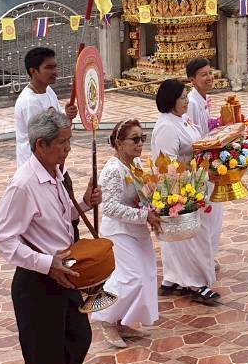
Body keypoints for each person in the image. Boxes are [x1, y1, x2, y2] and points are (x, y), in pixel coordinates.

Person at [0, 108, 102, 364]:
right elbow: (1, 238)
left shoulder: (54, 173)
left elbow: (62, 218)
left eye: (69, 141)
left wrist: (84, 204)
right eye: (62, 143)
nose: (68, 149)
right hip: (36, 282)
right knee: (44, 358)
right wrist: (44, 263)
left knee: (78, 338)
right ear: (41, 144)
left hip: (62, 274)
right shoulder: (24, 185)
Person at [90, 119, 160, 348]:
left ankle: (121, 321)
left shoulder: (136, 163)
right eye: (135, 139)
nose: (140, 143)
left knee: (147, 275)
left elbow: (142, 194)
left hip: (136, 229)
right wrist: (143, 216)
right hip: (119, 231)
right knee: (130, 277)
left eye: (142, 138)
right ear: (119, 143)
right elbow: (108, 207)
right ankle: (105, 319)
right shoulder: (113, 170)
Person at [152, 79, 219, 306]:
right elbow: (167, 164)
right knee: (190, 238)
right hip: (180, 189)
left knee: (189, 237)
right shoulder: (166, 127)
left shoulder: (182, 119)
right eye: (182, 98)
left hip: (194, 183)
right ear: (171, 101)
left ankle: (174, 278)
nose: (185, 102)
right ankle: (195, 282)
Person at [185, 57, 225, 276]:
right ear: (192, 79)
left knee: (215, 213)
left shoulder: (203, 99)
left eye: (210, 73)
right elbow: (196, 138)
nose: (209, 78)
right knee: (208, 214)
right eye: (203, 74)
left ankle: (210, 253)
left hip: (209, 160)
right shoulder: (191, 103)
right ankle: (204, 257)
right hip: (201, 165)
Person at [14, 47, 78, 166]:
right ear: (33, 71)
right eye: (48, 68)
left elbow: (58, 126)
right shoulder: (29, 102)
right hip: (36, 166)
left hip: (51, 164)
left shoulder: (48, 90)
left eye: (55, 67)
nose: (54, 72)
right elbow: (44, 138)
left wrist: (67, 117)